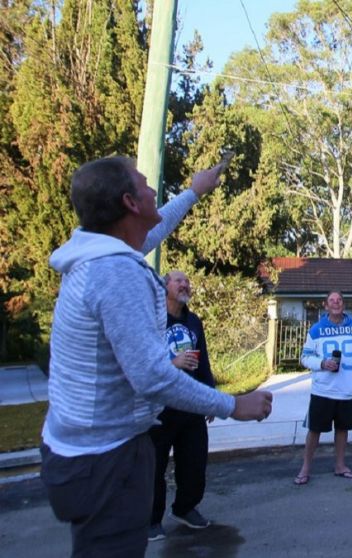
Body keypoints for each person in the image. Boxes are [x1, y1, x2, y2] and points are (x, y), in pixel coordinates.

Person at [41, 156, 273, 557]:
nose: (153, 191)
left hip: (88, 451)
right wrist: (233, 405)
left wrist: (195, 191)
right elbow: (153, 378)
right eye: (146, 185)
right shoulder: (115, 272)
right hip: (103, 461)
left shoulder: (104, 253)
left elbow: (157, 226)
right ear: (131, 203)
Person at [148, 270, 219, 542]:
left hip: (190, 402)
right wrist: (172, 363)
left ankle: (185, 508)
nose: (185, 284)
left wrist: (210, 396)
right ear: (165, 287)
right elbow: (141, 362)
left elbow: (204, 363)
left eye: (187, 281)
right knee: (154, 465)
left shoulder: (193, 321)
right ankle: (151, 519)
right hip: (159, 406)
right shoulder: (152, 320)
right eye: (179, 280)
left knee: (194, 460)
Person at [295, 291, 352, 485]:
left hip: (347, 390)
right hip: (323, 390)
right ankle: (305, 469)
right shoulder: (316, 329)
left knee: (343, 428)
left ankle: (340, 465)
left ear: (344, 304)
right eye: (332, 301)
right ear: (326, 306)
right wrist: (322, 363)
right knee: (314, 430)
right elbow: (304, 357)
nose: (336, 303)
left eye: (339, 300)